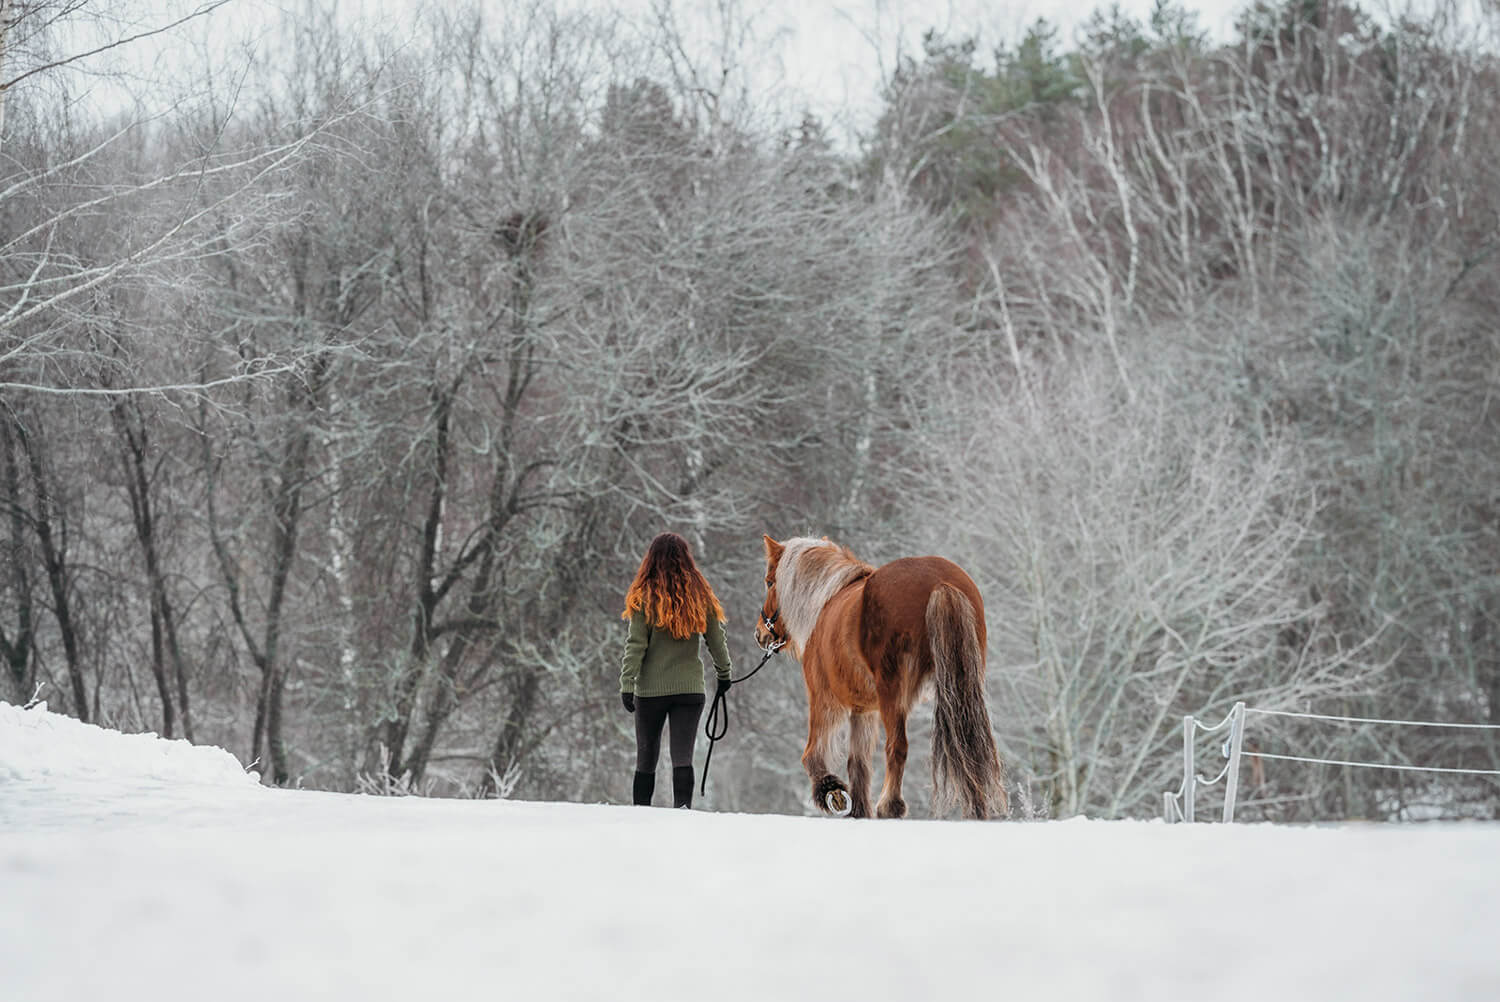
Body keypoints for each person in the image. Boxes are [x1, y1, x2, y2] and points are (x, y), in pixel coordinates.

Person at [619, 532, 732, 808]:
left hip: (651, 692)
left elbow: (636, 645)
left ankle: (640, 816)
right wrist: (724, 674)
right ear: (686, 560)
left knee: (646, 757)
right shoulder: (699, 595)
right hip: (689, 691)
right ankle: (683, 814)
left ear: (651, 560)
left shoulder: (643, 597)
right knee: (683, 757)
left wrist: (627, 683)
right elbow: (716, 639)